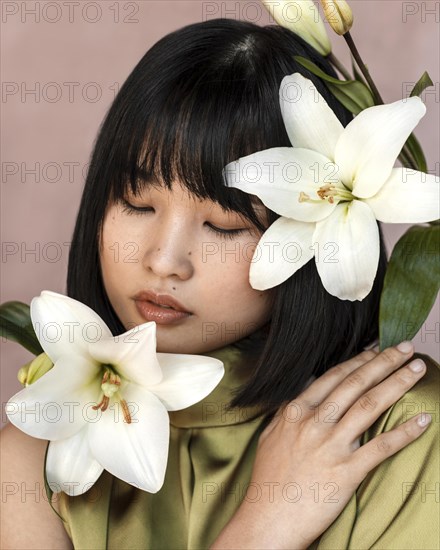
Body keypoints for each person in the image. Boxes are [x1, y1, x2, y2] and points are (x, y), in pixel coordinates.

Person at [1, 18, 438, 550]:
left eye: (224, 226)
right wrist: (264, 526)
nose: (164, 262)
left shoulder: (405, 428)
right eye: (137, 203)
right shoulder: (33, 453)